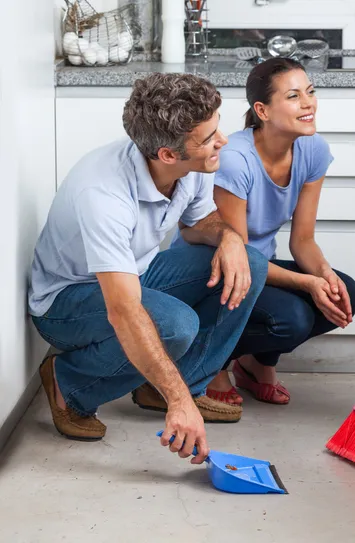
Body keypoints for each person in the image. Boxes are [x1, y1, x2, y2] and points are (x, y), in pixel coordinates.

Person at [28, 73, 269, 463]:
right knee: (174, 324)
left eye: (216, 129)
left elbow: (197, 223)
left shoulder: (189, 166)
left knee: (249, 263)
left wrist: (228, 237)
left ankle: (169, 386)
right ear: (168, 155)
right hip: (66, 300)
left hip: (135, 273)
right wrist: (180, 403)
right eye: (208, 139)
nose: (222, 141)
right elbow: (123, 311)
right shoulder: (103, 193)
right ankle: (68, 386)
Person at [172, 58, 355, 405]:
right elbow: (240, 256)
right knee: (291, 318)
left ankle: (256, 365)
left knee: (344, 292)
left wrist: (324, 275)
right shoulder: (236, 159)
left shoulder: (313, 149)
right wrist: (307, 283)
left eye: (310, 92)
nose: (308, 103)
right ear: (262, 110)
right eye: (293, 96)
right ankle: (210, 363)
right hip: (215, 275)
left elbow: (303, 239)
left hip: (258, 267)